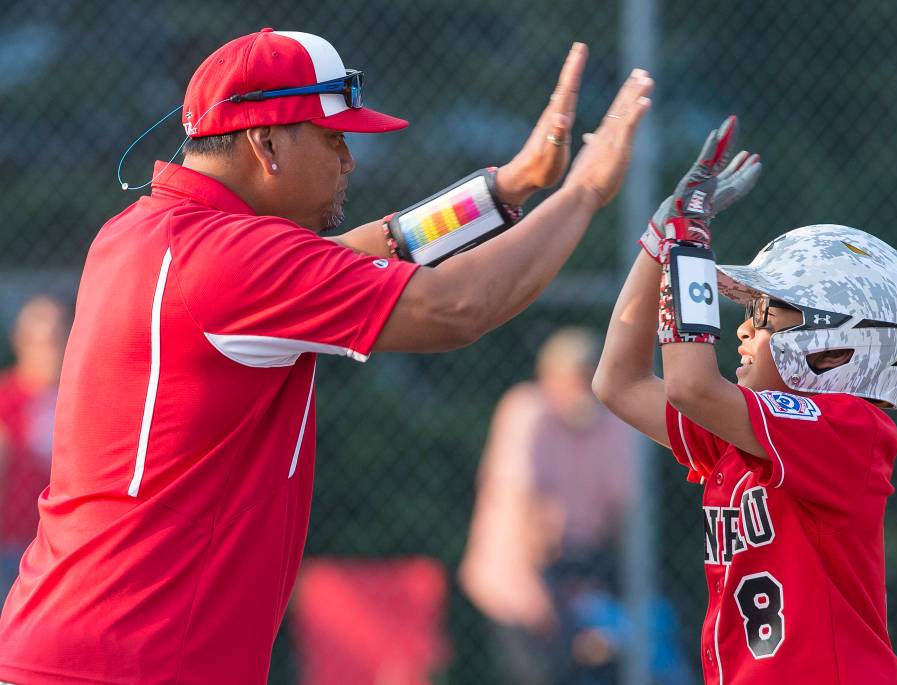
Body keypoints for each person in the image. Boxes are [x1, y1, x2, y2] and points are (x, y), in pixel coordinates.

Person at [0, 29, 654, 685]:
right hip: (134, 662)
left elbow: (357, 254)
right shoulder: (228, 259)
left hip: (81, 646)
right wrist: (585, 192)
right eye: (334, 138)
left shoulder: (149, 231)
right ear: (266, 143)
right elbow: (459, 306)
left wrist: (502, 191)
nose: (350, 160)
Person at [592, 116, 897, 684]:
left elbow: (690, 384)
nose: (745, 332)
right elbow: (619, 383)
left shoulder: (848, 428)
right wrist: (659, 243)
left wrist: (689, 251)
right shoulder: (746, 435)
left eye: (767, 314)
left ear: (835, 347)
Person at [459, 327, 634, 685]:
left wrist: (601, 587)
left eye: (589, 375)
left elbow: (622, 509)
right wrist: (543, 594)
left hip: (585, 573)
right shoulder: (526, 411)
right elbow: (519, 499)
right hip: (517, 575)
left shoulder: (612, 422)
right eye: (574, 377)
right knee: (538, 674)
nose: (581, 387)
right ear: (550, 377)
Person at [0, 296, 69, 597]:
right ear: (18, 341)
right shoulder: (6, 400)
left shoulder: (83, 398)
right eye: (36, 340)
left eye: (55, 338)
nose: (46, 350)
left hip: (68, 544)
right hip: (14, 546)